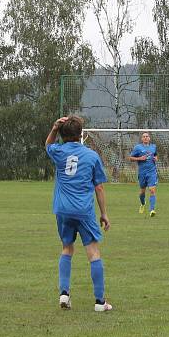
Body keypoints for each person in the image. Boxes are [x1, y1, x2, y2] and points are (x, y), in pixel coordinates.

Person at [46, 116, 113, 312]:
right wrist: (104, 214)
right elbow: (99, 188)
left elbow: (47, 144)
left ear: (62, 134)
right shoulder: (91, 156)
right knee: (93, 252)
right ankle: (100, 302)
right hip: (83, 211)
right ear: (81, 134)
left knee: (67, 249)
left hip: (62, 210)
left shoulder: (58, 151)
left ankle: (64, 294)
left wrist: (54, 128)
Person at [128, 132, 158, 217]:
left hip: (152, 172)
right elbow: (130, 158)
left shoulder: (153, 147)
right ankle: (142, 203)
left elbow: (155, 155)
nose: (145, 138)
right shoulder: (138, 148)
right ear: (142, 139)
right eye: (144, 136)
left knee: (152, 190)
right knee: (142, 192)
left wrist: (155, 158)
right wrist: (140, 158)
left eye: (147, 136)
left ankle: (152, 210)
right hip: (142, 173)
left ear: (149, 138)